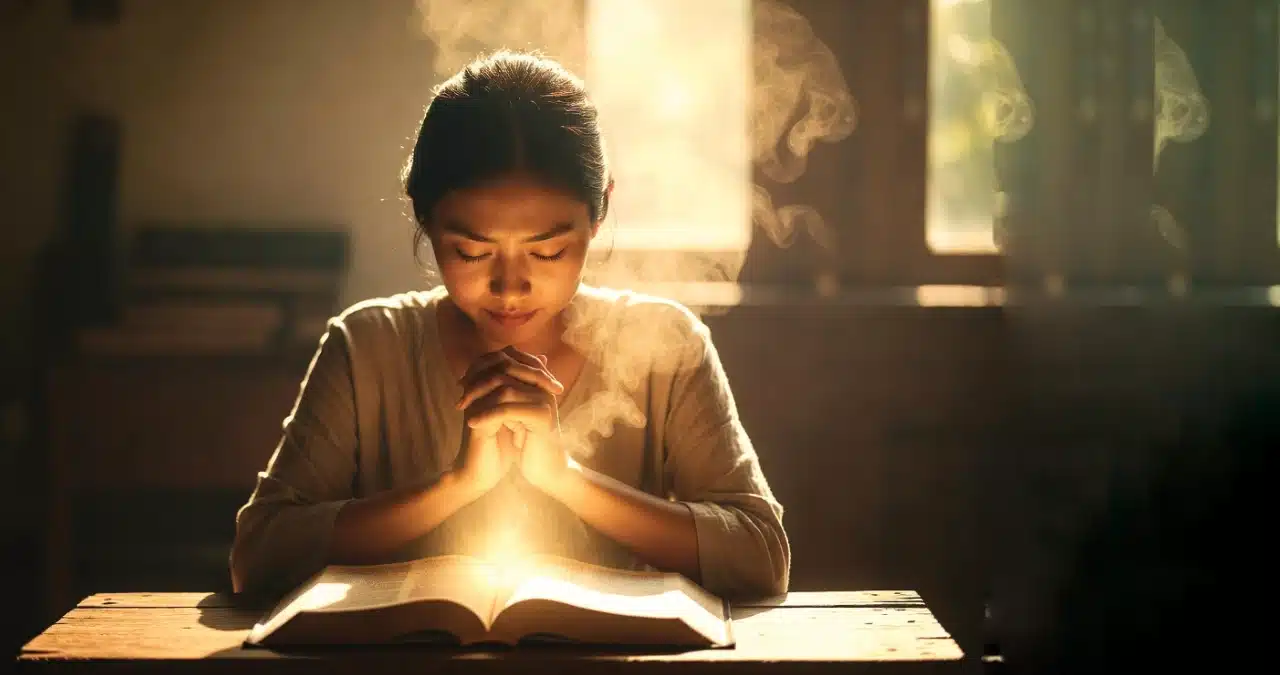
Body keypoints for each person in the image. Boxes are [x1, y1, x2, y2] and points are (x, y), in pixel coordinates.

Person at [229, 50, 789, 602]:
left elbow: (761, 557)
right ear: (424, 217)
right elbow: (259, 559)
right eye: (472, 253)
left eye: (548, 253)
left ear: (599, 214)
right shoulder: (369, 346)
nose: (510, 287)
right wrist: (457, 486)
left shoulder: (666, 346)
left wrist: (566, 478)